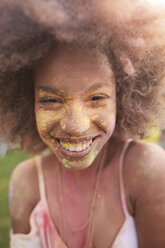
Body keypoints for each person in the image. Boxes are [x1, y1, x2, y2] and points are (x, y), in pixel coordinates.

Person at [0, 0, 165, 247]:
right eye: (52, 100)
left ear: (123, 96)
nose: (75, 126)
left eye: (96, 98)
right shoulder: (27, 184)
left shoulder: (147, 172)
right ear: (26, 99)